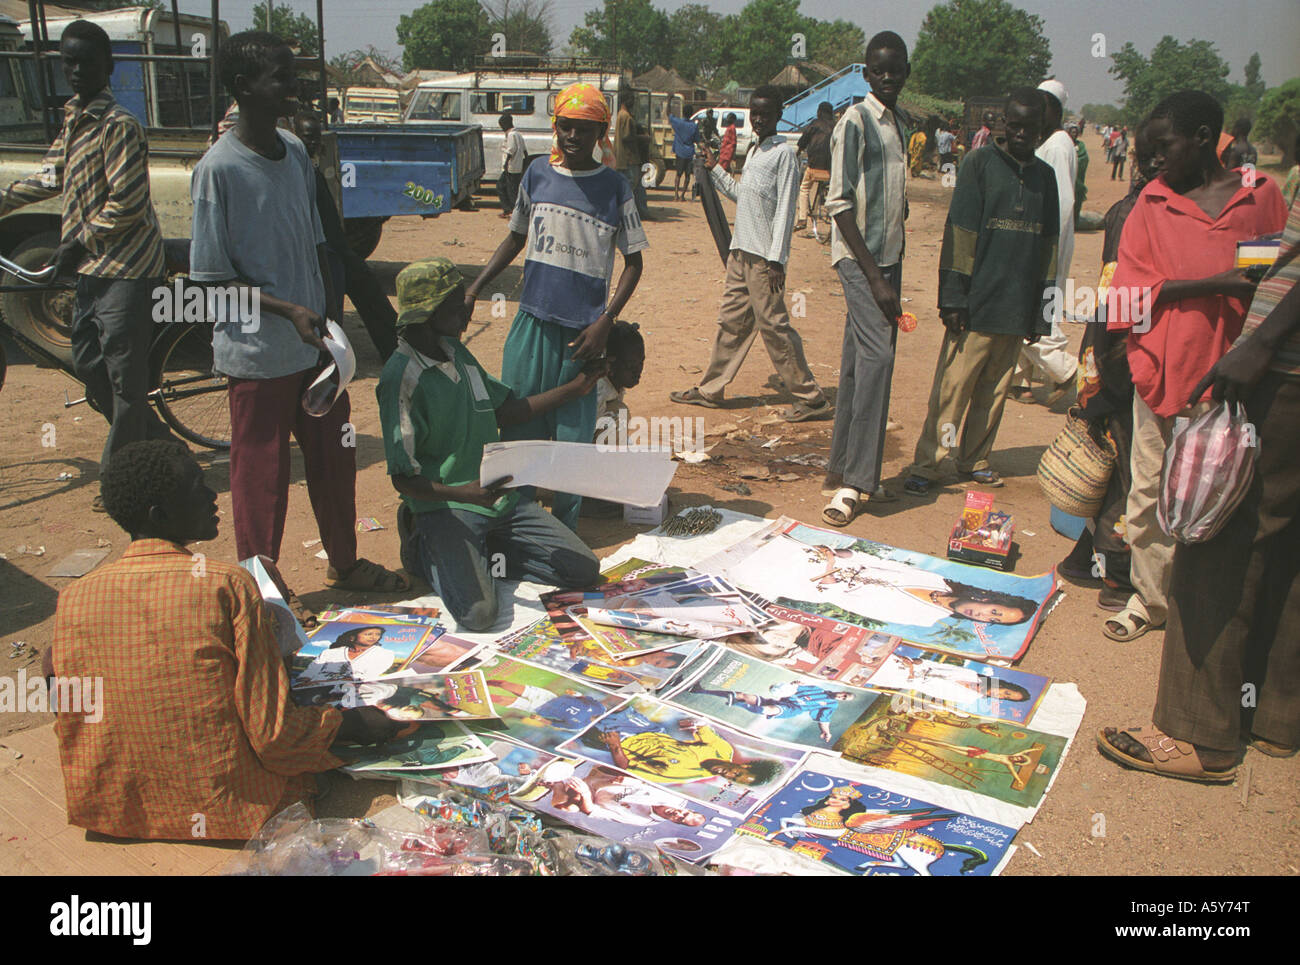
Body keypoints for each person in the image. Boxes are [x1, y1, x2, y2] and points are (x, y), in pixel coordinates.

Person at [48, 440, 396, 840]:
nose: (214, 496)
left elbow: (68, 703)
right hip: (228, 808)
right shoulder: (226, 584)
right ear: (159, 514)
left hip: (114, 808)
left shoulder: (75, 595)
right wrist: (351, 724)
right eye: (197, 487)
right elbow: (274, 738)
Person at [192, 34, 408, 619]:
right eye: (279, 77)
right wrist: (288, 310)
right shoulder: (218, 171)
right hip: (258, 357)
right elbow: (210, 281)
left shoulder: (291, 152)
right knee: (259, 479)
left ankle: (346, 561)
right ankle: (263, 590)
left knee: (335, 463)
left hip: (317, 355)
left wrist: (328, 318)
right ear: (242, 89)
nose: (292, 87)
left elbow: (321, 246)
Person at [1098, 190, 1300, 779]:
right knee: (1284, 546)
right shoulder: (1156, 210)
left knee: (1220, 544)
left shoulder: (1258, 196)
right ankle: (1271, 716)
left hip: (1280, 369)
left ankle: (1196, 734)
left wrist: (1260, 341)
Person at [1100, 90, 1286, 642]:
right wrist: (1212, 284)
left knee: (1217, 492)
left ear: (1205, 138)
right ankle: (1151, 599)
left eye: (1163, 148)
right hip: (1159, 370)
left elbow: (1267, 279)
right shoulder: (1150, 207)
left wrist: (1239, 292)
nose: (1153, 162)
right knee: (1149, 492)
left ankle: (1202, 604)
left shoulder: (1257, 196)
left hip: (1231, 378)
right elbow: (1126, 299)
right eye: (1145, 152)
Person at [0, 21, 174, 508]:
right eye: (68, 63)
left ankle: (122, 479)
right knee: (90, 366)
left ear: (108, 66)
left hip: (127, 268)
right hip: (93, 269)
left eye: (86, 63)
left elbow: (129, 203)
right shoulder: (75, 117)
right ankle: (161, 441)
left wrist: (76, 242)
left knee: (124, 377)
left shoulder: (119, 125)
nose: (76, 72)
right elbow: (50, 175)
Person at [377, 257, 603, 632]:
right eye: (454, 304)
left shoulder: (457, 353)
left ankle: (482, 554)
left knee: (582, 569)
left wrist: (574, 389)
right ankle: (422, 547)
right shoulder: (401, 379)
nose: (466, 309)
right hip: (449, 505)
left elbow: (506, 412)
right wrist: (463, 493)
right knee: (479, 616)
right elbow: (403, 480)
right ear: (428, 313)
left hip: (495, 499)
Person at [464, 83, 646, 531]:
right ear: (555, 127)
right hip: (530, 323)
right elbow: (516, 237)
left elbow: (635, 262)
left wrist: (606, 321)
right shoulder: (536, 175)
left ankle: (562, 531)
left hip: (583, 336)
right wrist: (475, 287)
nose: (572, 137)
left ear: (601, 132)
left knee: (571, 442)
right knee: (521, 430)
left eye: (584, 129)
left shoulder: (614, 188)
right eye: (566, 126)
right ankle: (518, 525)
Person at [904, 87, 1058, 495]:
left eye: (1032, 127)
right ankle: (932, 462)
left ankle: (975, 459)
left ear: (1043, 129)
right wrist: (953, 298)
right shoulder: (978, 164)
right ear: (1003, 123)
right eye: (1016, 125)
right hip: (975, 305)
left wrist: (1042, 312)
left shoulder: (1046, 177)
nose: (1023, 134)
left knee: (995, 390)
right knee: (954, 390)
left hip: (1017, 305)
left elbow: (1050, 247)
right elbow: (960, 233)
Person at [669, 86, 831, 423]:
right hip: (740, 252)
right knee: (731, 324)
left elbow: (786, 209)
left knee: (773, 326)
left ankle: (811, 399)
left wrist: (777, 260)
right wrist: (715, 170)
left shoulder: (784, 155)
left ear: (779, 114)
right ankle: (711, 389)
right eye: (754, 112)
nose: (758, 119)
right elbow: (744, 196)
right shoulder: (757, 150)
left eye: (765, 113)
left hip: (763, 260)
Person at [1056, 123, 1158, 612]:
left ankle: (1084, 555)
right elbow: (1124, 298)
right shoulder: (1143, 214)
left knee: (1114, 461)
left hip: (1107, 352)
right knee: (1124, 467)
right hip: (1120, 358)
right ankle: (1116, 576)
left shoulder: (1126, 209)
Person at [818, 31, 911, 526]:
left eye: (896, 69)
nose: (888, 77)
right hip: (861, 261)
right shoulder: (855, 122)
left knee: (858, 360)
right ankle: (856, 482)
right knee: (879, 358)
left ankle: (843, 468)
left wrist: (891, 267)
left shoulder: (898, 123)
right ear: (867, 74)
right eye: (880, 70)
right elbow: (839, 204)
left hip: (890, 258)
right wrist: (875, 277)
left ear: (905, 72)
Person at [293, 110, 398, 360]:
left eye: (316, 138)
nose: (314, 142)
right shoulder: (296, 172)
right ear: (295, 136)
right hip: (323, 252)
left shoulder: (311, 168)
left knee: (370, 296)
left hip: (336, 249)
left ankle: (395, 352)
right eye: (308, 137)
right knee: (333, 310)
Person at [1012, 78, 1077, 406]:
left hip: (1045, 241)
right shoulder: (1049, 142)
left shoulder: (1058, 145)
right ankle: (1020, 383)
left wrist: (1042, 248)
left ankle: (1065, 370)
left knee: (1029, 310)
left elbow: (1062, 205)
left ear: (1052, 110)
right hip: (1042, 240)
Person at [596, 718, 782, 786]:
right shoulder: (723, 750)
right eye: (737, 773)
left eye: (732, 779)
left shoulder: (680, 775)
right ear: (746, 765)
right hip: (651, 729)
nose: (728, 775)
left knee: (589, 715)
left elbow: (626, 767)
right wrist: (695, 722)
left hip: (622, 741)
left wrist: (614, 745)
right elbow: (703, 727)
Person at [688, 681, 855, 743]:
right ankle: (700, 691)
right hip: (781, 700)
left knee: (768, 709)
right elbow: (793, 687)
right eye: (844, 694)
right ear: (843, 691)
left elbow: (824, 720)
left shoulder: (831, 705)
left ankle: (737, 704)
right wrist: (792, 685)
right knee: (743, 695)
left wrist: (826, 732)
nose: (841, 696)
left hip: (791, 709)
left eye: (844, 698)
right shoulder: (816, 688)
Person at [794, 101, 835, 231]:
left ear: (819, 112)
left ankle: (802, 219)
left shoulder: (814, 124)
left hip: (814, 167)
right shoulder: (837, 125)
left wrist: (798, 152)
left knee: (804, 189)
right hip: (831, 169)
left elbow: (803, 141)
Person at [667, 104, 699, 201]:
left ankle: (676, 195)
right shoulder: (694, 126)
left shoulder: (678, 123)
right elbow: (697, 139)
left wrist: (669, 100)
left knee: (678, 174)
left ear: (683, 112)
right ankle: (682, 196)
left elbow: (668, 114)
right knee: (687, 175)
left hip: (680, 152)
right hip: (689, 153)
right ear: (691, 114)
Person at [497, 112, 527, 216]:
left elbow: (511, 150)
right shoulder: (518, 134)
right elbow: (524, 150)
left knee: (503, 188)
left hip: (510, 167)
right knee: (511, 189)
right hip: (517, 167)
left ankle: (511, 210)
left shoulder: (511, 135)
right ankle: (510, 210)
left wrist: (505, 165)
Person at [1068, 122, 1088, 224]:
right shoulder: (1066, 144)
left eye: (1076, 132)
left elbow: (1085, 158)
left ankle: (1075, 221)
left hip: (1078, 180)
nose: (1074, 134)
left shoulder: (1081, 145)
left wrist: (1076, 160)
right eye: (1072, 132)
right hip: (1068, 179)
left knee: (1077, 200)